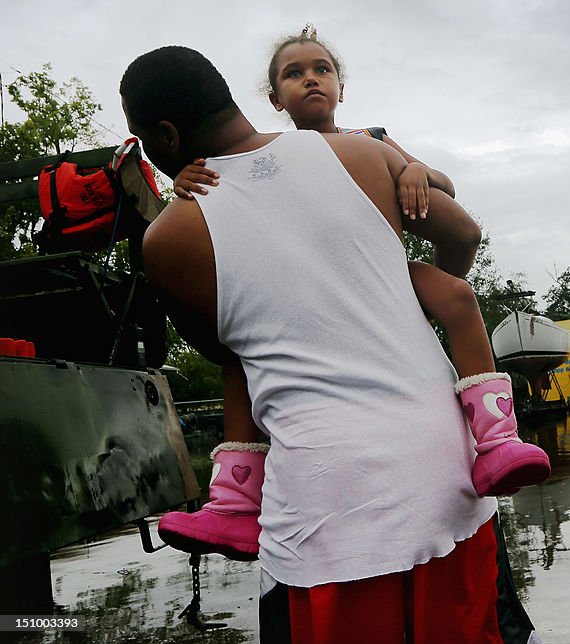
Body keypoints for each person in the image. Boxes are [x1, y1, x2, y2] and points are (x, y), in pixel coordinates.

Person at [122, 45, 520, 642]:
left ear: (166, 136)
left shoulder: (171, 237)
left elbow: (228, 355)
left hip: (324, 512)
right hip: (449, 480)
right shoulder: (361, 152)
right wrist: (410, 290)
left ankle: (230, 502)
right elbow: (463, 231)